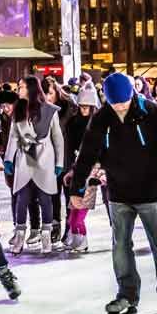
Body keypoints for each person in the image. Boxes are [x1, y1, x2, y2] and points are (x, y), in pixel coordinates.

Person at [69, 72, 157, 314]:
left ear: (132, 94)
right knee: (120, 246)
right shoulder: (102, 118)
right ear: (107, 100)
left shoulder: (151, 111)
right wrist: (76, 189)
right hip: (119, 192)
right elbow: (87, 155)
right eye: (115, 103)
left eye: (124, 101)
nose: (120, 107)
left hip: (153, 191)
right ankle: (127, 294)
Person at [4, 76, 64, 255]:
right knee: (22, 198)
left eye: (21, 87)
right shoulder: (18, 110)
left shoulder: (49, 110)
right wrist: (9, 158)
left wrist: (59, 162)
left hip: (44, 159)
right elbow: (14, 136)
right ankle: (20, 234)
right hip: (24, 159)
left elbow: (57, 138)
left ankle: (46, 235)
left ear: (30, 89)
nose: (18, 90)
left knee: (45, 197)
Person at [0, 90, 41, 246]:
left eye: (7, 105)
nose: (5, 108)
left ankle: (36, 228)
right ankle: (18, 228)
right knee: (15, 195)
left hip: (25, 160)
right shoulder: (4, 118)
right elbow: (5, 137)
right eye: (2, 106)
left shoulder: (23, 115)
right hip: (11, 163)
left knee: (29, 196)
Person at [62, 83, 101, 251]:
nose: (84, 110)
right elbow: (70, 146)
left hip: (91, 173)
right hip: (77, 171)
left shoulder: (99, 124)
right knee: (72, 216)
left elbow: (102, 148)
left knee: (79, 215)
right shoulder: (73, 123)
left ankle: (82, 241)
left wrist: (98, 169)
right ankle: (77, 239)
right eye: (82, 107)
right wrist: (71, 168)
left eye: (88, 107)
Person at [41, 77, 78, 246]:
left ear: (56, 92)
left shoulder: (69, 108)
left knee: (70, 195)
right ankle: (55, 227)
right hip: (49, 160)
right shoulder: (41, 110)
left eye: (49, 93)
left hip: (68, 158)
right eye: (44, 94)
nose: (47, 97)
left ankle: (70, 228)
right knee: (52, 196)